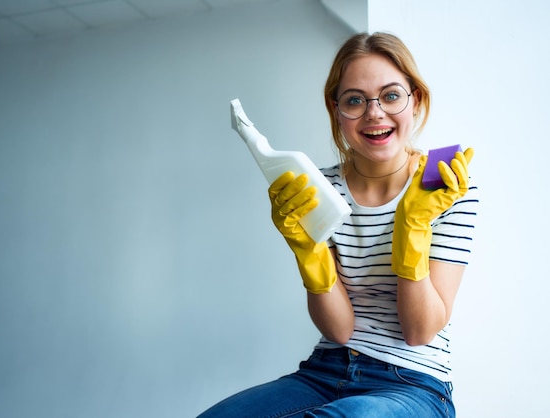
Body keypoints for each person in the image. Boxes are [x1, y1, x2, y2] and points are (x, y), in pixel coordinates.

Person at [199, 32, 479, 418]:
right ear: (336, 111)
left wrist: (412, 226)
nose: (374, 113)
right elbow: (340, 331)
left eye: (392, 95)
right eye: (355, 100)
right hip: (325, 371)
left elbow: (420, 331)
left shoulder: (442, 181)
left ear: (416, 100)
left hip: (414, 384)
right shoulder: (320, 188)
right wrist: (307, 251)